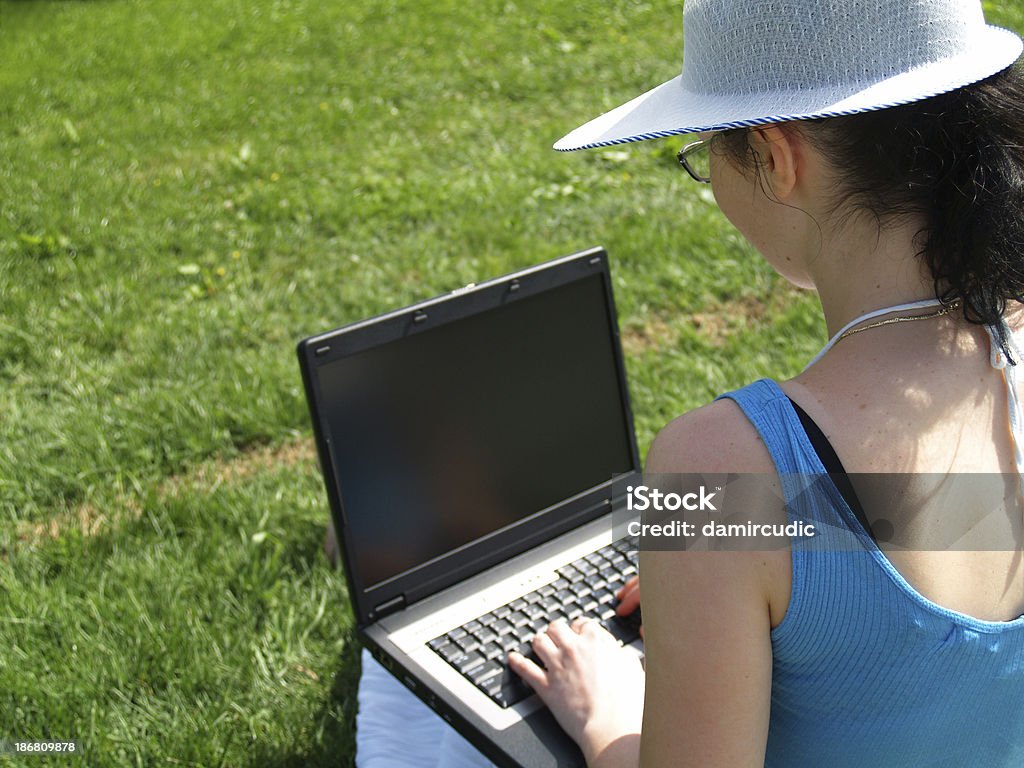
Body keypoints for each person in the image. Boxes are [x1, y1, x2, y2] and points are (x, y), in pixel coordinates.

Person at [357, 1, 1024, 766]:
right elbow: (941, 528)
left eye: (704, 151)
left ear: (777, 157)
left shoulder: (715, 468)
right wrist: (724, 577)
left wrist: (610, 718)